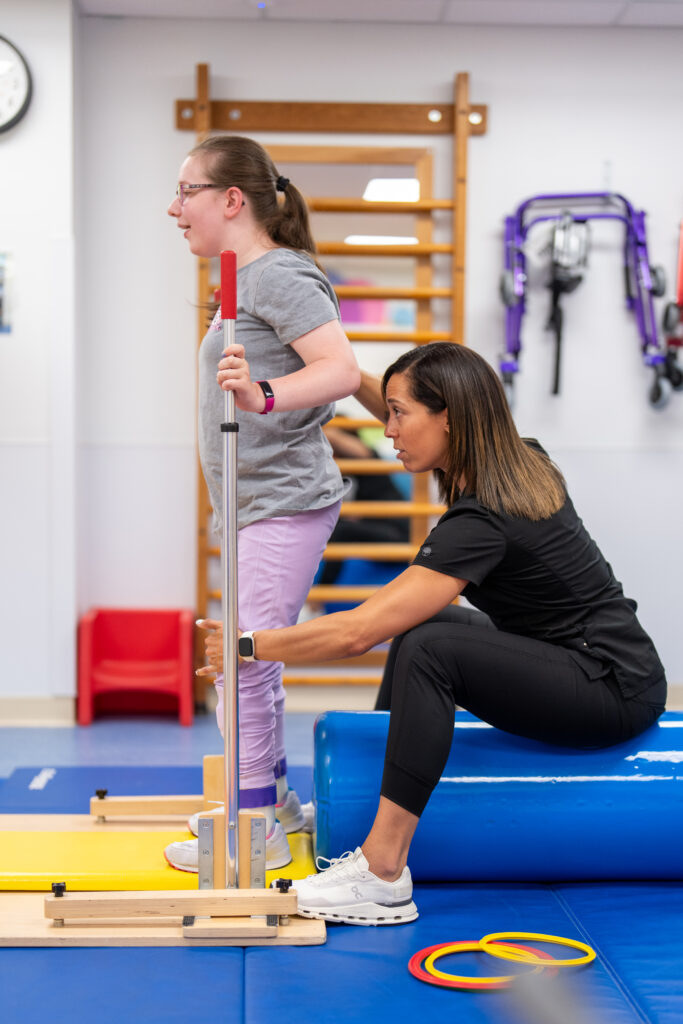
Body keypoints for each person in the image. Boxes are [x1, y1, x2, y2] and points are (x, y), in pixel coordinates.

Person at [198, 341, 667, 924]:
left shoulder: (484, 519)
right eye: (388, 410)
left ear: (449, 418)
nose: (387, 430)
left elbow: (358, 631)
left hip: (610, 691)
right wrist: (340, 375)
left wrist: (248, 645)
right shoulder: (521, 460)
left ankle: (384, 871)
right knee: (437, 624)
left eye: (400, 414)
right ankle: (368, 798)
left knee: (428, 644)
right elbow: (406, 409)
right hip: (605, 666)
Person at [164, 135, 360, 873]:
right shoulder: (237, 280)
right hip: (256, 505)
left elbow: (340, 369)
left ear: (231, 200)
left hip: (281, 499)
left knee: (242, 662)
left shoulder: (276, 275)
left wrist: (263, 394)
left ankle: (254, 832)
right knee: (253, 660)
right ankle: (270, 804)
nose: (174, 207)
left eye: (187, 191)